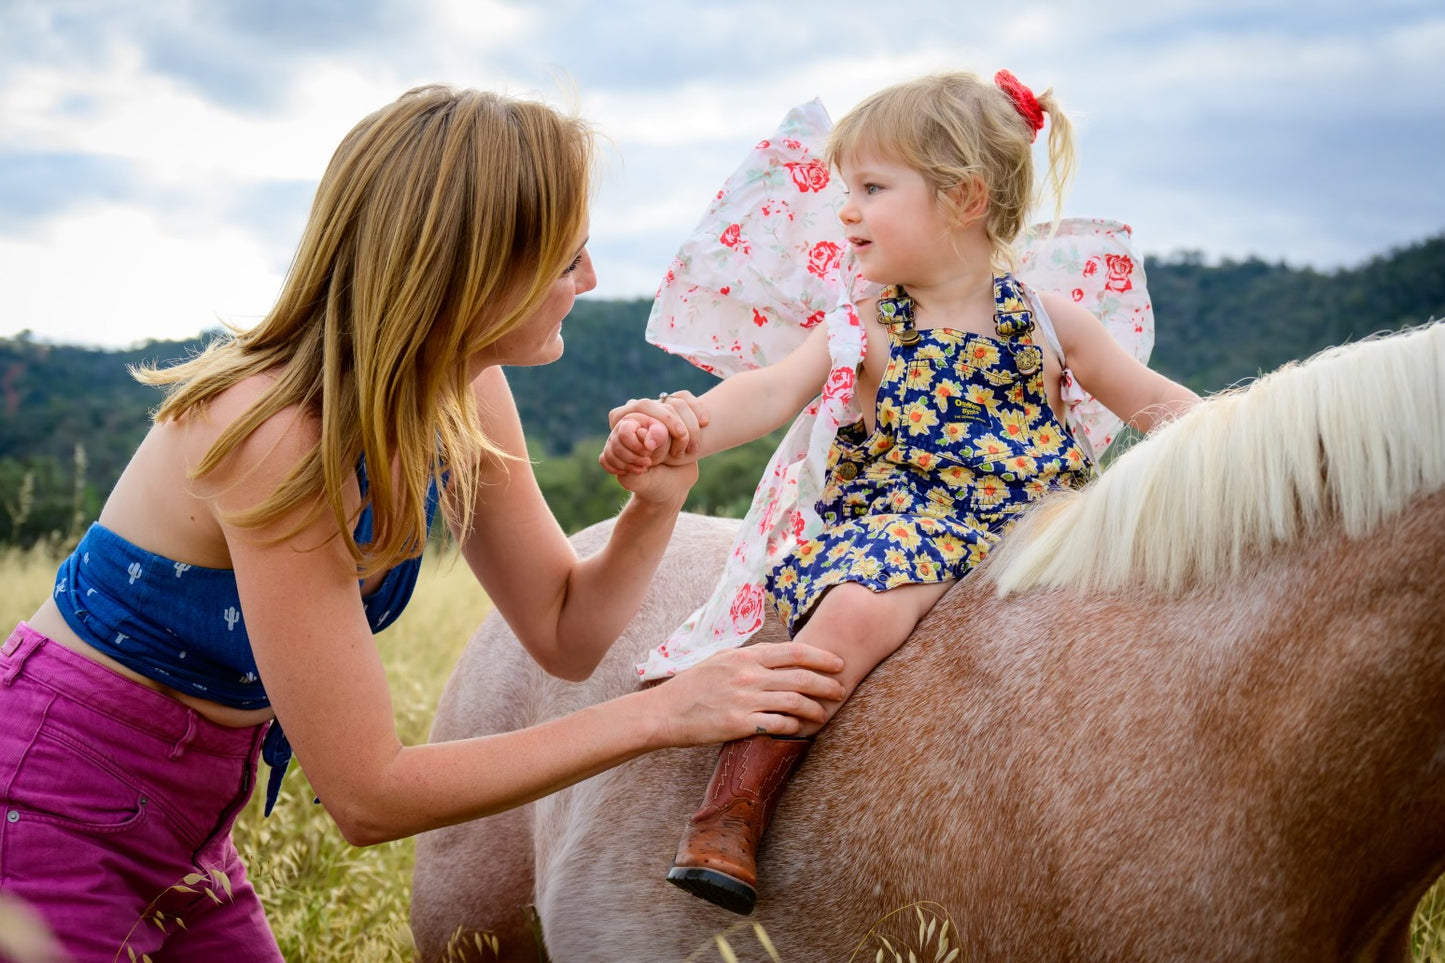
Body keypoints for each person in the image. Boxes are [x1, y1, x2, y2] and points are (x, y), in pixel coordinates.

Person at [0, 84, 848, 961]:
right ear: (474, 267)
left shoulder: (462, 391)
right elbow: (368, 796)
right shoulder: (278, 434)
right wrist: (664, 714)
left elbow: (564, 632)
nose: (589, 282)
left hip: (188, 827)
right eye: (568, 259)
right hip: (49, 801)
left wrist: (654, 505)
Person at [600, 70, 1201, 914]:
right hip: (907, 525)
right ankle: (730, 809)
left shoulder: (1051, 319)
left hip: (1044, 522)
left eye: (871, 188)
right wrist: (682, 422)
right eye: (848, 188)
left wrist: (1244, 434)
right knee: (850, 619)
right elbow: (769, 394)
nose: (845, 210)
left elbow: (1153, 400)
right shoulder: (863, 323)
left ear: (962, 198)